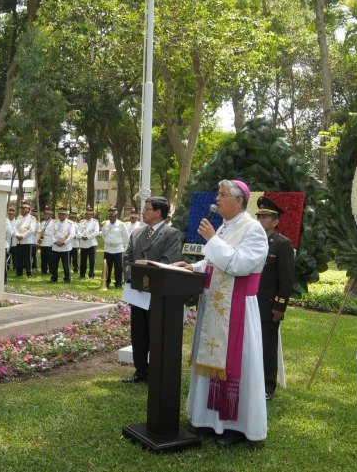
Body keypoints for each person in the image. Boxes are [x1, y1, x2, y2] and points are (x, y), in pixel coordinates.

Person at [173, 179, 268, 447]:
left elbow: (239, 264)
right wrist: (193, 267)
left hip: (238, 310)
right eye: (219, 193)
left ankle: (234, 427)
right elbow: (214, 261)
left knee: (239, 364)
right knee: (210, 359)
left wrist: (211, 240)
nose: (218, 198)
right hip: (216, 305)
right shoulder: (225, 227)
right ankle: (209, 419)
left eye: (223, 194)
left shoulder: (253, 230)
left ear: (239, 201)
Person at [122, 196, 182, 383]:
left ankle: (156, 373)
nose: (143, 212)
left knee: (156, 333)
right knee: (138, 333)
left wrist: (146, 280)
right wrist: (132, 277)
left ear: (158, 212)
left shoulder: (172, 234)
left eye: (147, 209)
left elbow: (167, 261)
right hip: (137, 291)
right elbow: (127, 258)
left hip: (156, 292)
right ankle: (140, 372)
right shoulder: (137, 233)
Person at [255, 195, 295, 401]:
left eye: (265, 217)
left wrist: (280, 306)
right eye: (259, 216)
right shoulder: (253, 242)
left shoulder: (281, 244)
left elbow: (286, 279)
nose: (260, 220)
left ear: (275, 222)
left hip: (268, 306)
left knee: (267, 347)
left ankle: (267, 387)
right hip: (251, 302)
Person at [101, 206, 129, 288]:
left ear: (116, 216)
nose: (111, 218)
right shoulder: (105, 224)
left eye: (112, 216)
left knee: (118, 267)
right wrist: (108, 242)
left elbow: (126, 238)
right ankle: (106, 282)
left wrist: (120, 245)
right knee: (107, 267)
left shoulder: (121, 225)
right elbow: (103, 235)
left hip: (118, 249)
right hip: (108, 249)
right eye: (109, 216)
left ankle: (118, 283)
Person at [48, 205, 74, 283]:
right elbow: (50, 233)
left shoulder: (70, 223)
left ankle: (67, 278)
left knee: (66, 264)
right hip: (55, 246)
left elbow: (72, 234)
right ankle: (54, 277)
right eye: (60, 214)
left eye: (63, 214)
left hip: (65, 246)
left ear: (66, 215)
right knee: (54, 263)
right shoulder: (54, 222)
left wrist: (64, 242)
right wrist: (55, 241)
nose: (61, 216)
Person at [14, 201, 36, 277]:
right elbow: (14, 227)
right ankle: (19, 273)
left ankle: (29, 273)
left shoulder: (32, 218)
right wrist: (17, 235)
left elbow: (32, 230)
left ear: (28, 209)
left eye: (23, 208)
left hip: (27, 241)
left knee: (27, 258)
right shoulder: (19, 218)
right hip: (19, 241)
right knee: (19, 258)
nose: (22, 210)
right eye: (22, 208)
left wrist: (22, 236)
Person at [79, 204, 101, 278]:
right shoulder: (81, 222)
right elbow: (78, 231)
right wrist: (82, 236)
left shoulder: (95, 222)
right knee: (83, 260)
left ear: (92, 215)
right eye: (86, 214)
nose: (88, 215)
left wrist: (88, 237)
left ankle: (91, 274)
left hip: (92, 243)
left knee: (92, 260)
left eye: (89, 214)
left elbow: (96, 232)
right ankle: (82, 274)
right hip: (83, 243)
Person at [38, 207, 54, 274]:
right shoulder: (42, 223)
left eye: (47, 214)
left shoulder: (53, 222)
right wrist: (39, 242)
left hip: (49, 242)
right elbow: (40, 232)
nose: (45, 215)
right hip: (43, 242)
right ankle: (43, 270)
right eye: (45, 214)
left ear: (50, 215)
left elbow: (52, 232)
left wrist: (44, 232)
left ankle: (51, 270)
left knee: (50, 258)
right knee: (43, 257)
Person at [4, 207, 17, 284]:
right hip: (6, 241)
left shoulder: (16, 221)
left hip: (13, 241)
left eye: (12, 214)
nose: (10, 215)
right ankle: (4, 279)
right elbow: (9, 232)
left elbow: (14, 231)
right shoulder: (6, 220)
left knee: (14, 256)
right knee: (5, 260)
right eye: (9, 214)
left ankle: (15, 267)